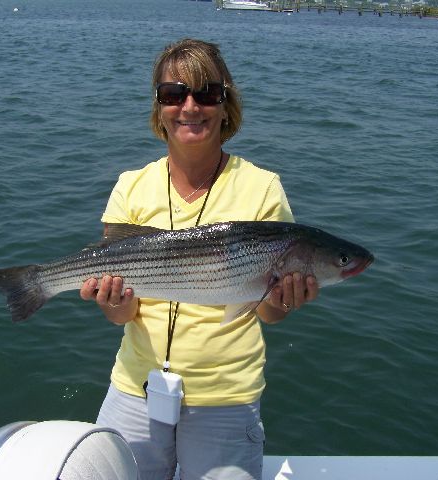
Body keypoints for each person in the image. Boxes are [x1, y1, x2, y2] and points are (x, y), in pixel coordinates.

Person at [79, 38, 318, 480]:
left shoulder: (263, 189)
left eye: (207, 94)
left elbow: (268, 313)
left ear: (226, 106)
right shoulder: (130, 187)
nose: (190, 107)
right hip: (136, 388)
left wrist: (283, 298)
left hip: (226, 398)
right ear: (159, 109)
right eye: (174, 95)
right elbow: (123, 315)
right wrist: (111, 301)